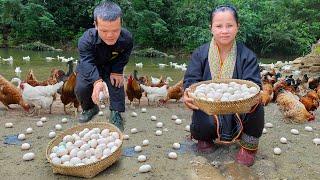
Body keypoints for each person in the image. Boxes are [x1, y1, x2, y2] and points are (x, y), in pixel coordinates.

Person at [183, 5, 264, 166]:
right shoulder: (200, 54)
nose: (224, 30)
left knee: (257, 101)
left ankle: (248, 147)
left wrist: (250, 96)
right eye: (219, 26)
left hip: (239, 111)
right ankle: (204, 137)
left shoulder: (247, 55)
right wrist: (187, 94)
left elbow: (253, 85)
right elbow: (191, 82)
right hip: (209, 112)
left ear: (237, 27)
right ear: (211, 28)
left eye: (230, 25)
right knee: (198, 101)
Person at [75, 1, 133, 131]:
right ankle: (90, 108)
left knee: (117, 84)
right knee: (81, 89)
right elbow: (87, 61)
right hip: (90, 66)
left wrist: (118, 71)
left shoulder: (127, 38)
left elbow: (124, 56)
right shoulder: (86, 40)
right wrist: (96, 81)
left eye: (115, 30)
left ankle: (116, 114)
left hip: (111, 66)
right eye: (104, 30)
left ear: (121, 24)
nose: (110, 35)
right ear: (95, 25)